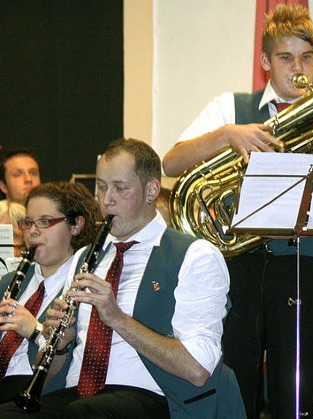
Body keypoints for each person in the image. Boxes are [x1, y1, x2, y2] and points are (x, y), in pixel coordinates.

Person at [162, 5, 313, 417]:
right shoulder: (231, 108)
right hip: (239, 263)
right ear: (265, 63)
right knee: (239, 381)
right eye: (285, 57)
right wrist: (226, 135)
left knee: (298, 391)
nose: (298, 67)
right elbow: (170, 163)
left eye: (307, 57)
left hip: (302, 264)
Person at [0, 138, 239, 417]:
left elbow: (198, 368)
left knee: (85, 412)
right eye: (101, 187)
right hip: (77, 396)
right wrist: (58, 343)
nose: (106, 199)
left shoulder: (194, 255)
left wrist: (117, 318)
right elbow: (51, 371)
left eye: (120, 188)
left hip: (152, 398)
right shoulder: (84, 258)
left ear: (151, 190)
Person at [0, 181, 102, 403]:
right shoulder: (9, 281)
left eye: (45, 222)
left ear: (76, 225)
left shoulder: (85, 287)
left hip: (41, 393)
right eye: (29, 222)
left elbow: (76, 362)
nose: (33, 231)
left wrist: (35, 331)